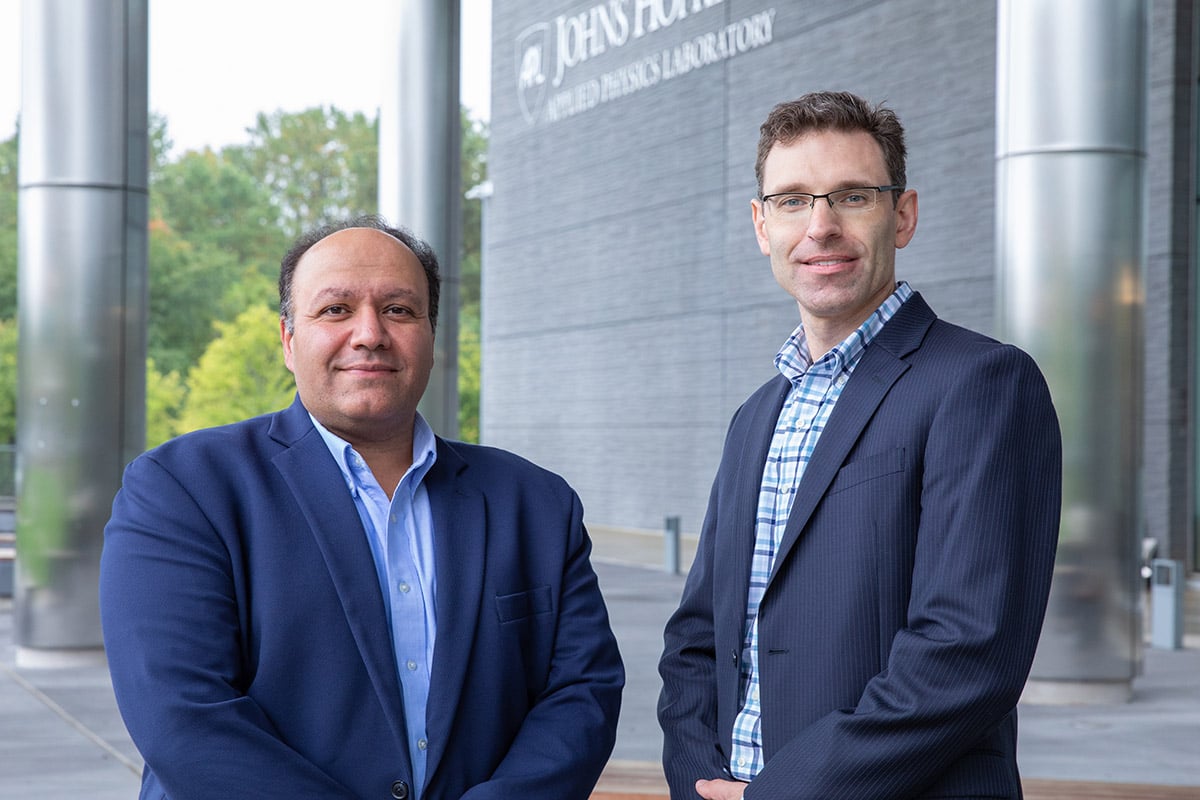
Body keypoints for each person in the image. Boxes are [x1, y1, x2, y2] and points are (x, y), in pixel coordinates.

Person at [100, 215, 624, 800]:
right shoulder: (182, 489)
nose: (370, 333)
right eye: (335, 310)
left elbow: (581, 694)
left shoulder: (536, 504)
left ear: (432, 336)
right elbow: (186, 718)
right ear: (288, 339)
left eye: (400, 310)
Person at [657, 91, 1062, 799]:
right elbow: (699, 636)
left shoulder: (983, 384)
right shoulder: (756, 416)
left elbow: (967, 653)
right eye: (791, 201)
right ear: (761, 225)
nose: (821, 226)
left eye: (851, 196)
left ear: (901, 215)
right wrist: (695, 775)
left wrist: (782, 794)